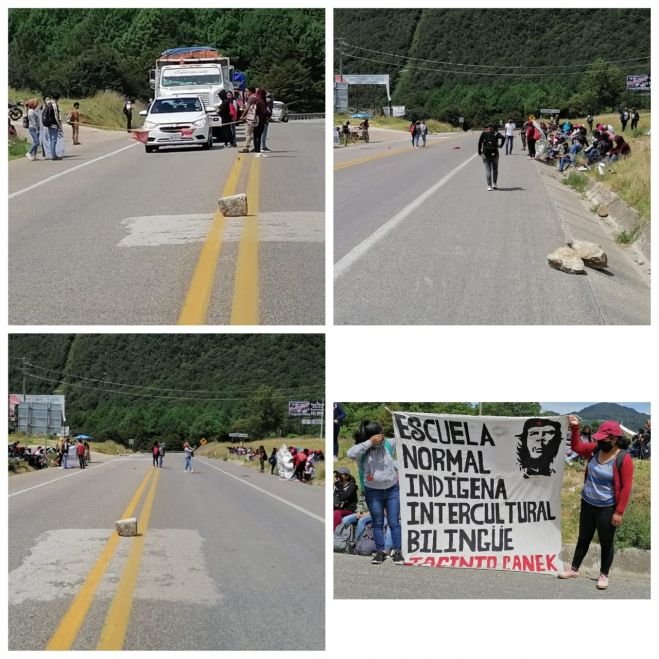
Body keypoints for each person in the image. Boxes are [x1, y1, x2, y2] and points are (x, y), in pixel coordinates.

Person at [559, 416, 634, 590]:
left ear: (614, 439)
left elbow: (626, 488)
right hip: (587, 503)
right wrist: (576, 428)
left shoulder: (623, 459)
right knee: (583, 538)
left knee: (606, 542)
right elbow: (577, 447)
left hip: (607, 508)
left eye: (603, 438)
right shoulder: (595, 449)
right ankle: (574, 569)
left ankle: (603, 575)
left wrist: (619, 512)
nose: (599, 441)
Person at [346, 420, 403, 565]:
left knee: (394, 522)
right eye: (377, 435)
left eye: (381, 434)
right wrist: (369, 443)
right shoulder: (362, 452)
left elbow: (404, 437)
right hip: (373, 492)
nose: (380, 437)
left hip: (392, 490)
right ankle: (380, 552)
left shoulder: (389, 444)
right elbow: (350, 454)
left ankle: (397, 551)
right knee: (377, 523)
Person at [477, 123, 505, 191]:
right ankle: (494, 184)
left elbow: (480, 142)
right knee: (495, 169)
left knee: (488, 170)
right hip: (495, 153)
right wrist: (500, 145)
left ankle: (489, 186)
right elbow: (503, 138)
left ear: (488, 127)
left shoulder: (484, 133)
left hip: (485, 154)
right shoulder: (496, 133)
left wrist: (479, 152)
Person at [42, 93, 63, 160]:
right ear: (58, 98)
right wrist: (59, 125)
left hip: (49, 124)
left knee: (52, 140)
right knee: (54, 140)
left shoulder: (49, 104)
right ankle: (54, 156)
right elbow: (56, 117)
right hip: (53, 124)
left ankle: (52, 154)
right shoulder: (54, 105)